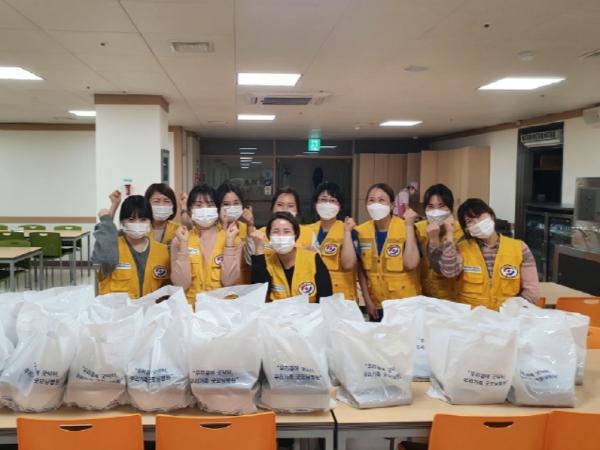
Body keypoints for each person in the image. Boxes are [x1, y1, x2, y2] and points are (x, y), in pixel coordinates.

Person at [432, 198, 540, 310]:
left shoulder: (519, 248)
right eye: (469, 221)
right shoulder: (462, 248)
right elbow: (449, 272)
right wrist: (449, 234)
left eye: (479, 216)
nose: (477, 223)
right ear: (467, 229)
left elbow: (532, 292)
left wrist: (513, 312)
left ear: (491, 216)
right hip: (471, 316)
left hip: (507, 316)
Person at [355, 183, 421, 321]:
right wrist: (367, 300)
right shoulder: (361, 232)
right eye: (371, 200)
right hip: (377, 304)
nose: (376, 204)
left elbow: (411, 263)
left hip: (405, 304)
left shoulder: (406, 228)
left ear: (392, 205)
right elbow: (361, 270)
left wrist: (409, 226)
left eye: (381, 200)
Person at [170, 184, 242, 306]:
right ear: (190, 211)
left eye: (210, 205)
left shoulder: (233, 240)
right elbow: (181, 284)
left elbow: (229, 281)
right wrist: (183, 245)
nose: (204, 209)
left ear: (218, 209)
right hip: (191, 309)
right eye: (198, 205)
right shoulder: (179, 240)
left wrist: (229, 243)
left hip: (222, 309)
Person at [93, 191, 173, 299]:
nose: (137, 224)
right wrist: (106, 219)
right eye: (131, 219)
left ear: (150, 222)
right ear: (122, 222)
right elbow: (105, 258)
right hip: (118, 309)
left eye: (143, 219)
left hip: (152, 308)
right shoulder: (111, 247)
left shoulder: (163, 251)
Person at [250, 212, 332, 303]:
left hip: (311, 312)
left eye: (287, 231)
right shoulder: (266, 262)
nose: (281, 236)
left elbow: (327, 298)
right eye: (276, 231)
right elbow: (259, 295)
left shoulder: (313, 259)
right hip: (278, 312)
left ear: (295, 235)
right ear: (269, 236)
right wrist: (258, 248)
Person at [306, 182, 358, 301]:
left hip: (342, 298)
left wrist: (347, 232)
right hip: (314, 295)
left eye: (333, 201)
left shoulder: (349, 229)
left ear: (340, 205)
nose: (327, 204)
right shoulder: (307, 231)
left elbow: (349, 264)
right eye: (323, 200)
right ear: (316, 203)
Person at [415, 184, 464, 300]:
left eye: (441, 206)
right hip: (423, 296)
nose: (436, 211)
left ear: (450, 209)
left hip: (451, 298)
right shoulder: (418, 229)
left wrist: (435, 239)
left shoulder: (461, 232)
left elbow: (445, 269)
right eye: (430, 206)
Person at [215, 182, 254, 284]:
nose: (232, 207)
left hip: (244, 284)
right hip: (221, 285)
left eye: (236, 203)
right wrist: (224, 228)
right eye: (226, 204)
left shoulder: (247, 228)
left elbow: (252, 259)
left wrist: (250, 225)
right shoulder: (213, 230)